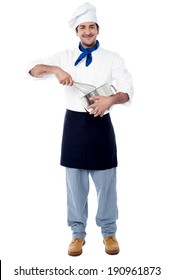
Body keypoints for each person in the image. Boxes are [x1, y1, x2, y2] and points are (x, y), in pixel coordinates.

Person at [28, 2, 133, 256]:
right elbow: (33, 70)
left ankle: (109, 232)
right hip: (73, 125)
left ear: (98, 29)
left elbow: (128, 91)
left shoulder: (112, 58)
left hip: (101, 126)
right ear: (76, 31)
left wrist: (110, 100)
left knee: (106, 183)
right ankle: (77, 234)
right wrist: (55, 70)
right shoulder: (63, 56)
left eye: (91, 27)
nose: (87, 31)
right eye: (82, 27)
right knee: (75, 185)